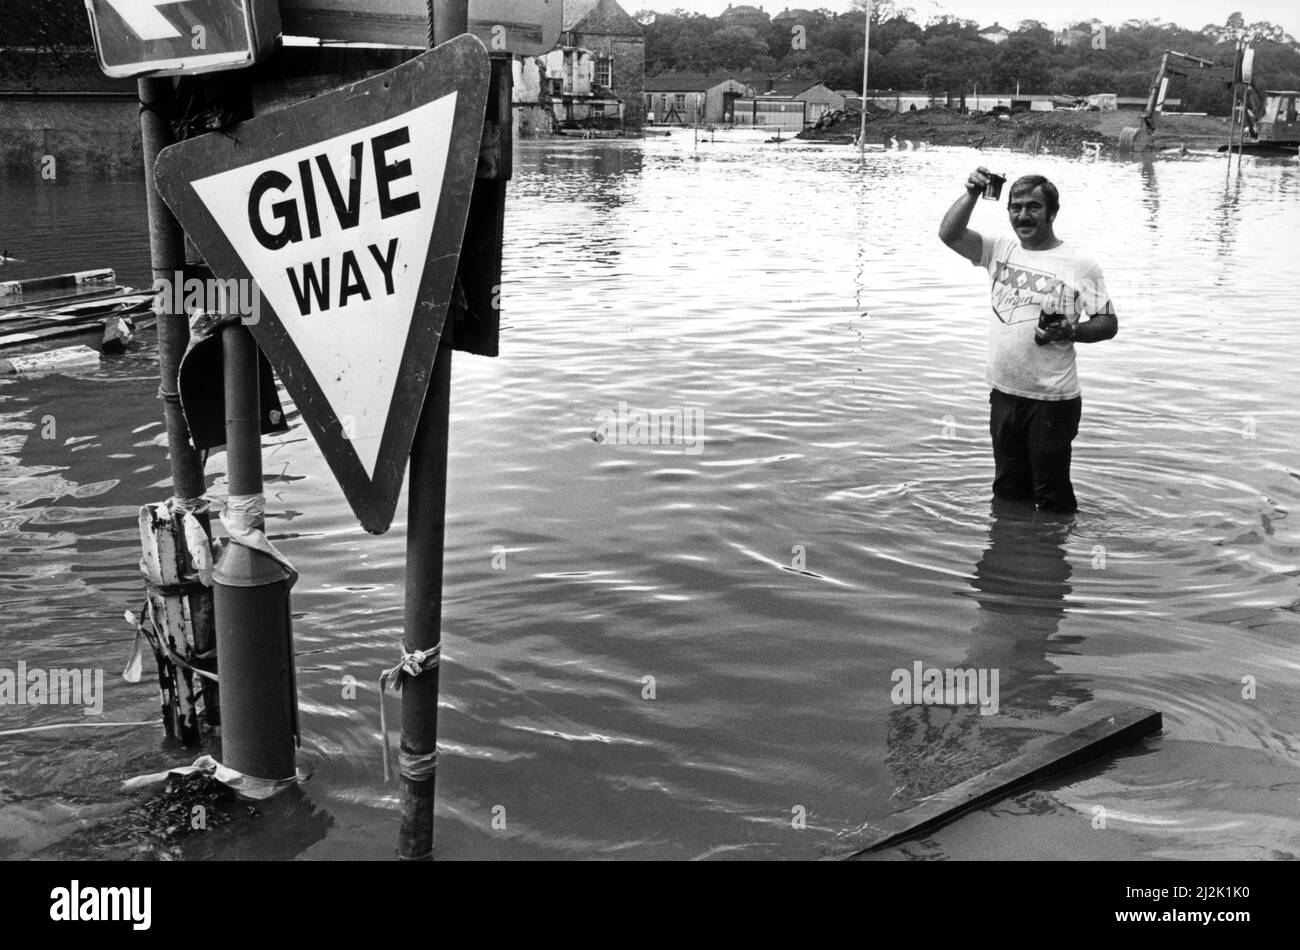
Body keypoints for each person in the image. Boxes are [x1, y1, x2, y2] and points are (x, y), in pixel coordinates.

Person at [938, 168, 1118, 512]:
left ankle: (1056, 554)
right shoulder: (998, 250)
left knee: (1052, 495)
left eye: (1033, 207)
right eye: (1015, 207)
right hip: (1004, 393)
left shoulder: (1081, 265)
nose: (1023, 215)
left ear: (1052, 213)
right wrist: (972, 194)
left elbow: (1108, 323)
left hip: (1052, 400)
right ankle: (1012, 552)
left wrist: (1072, 331)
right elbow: (949, 234)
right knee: (1008, 491)